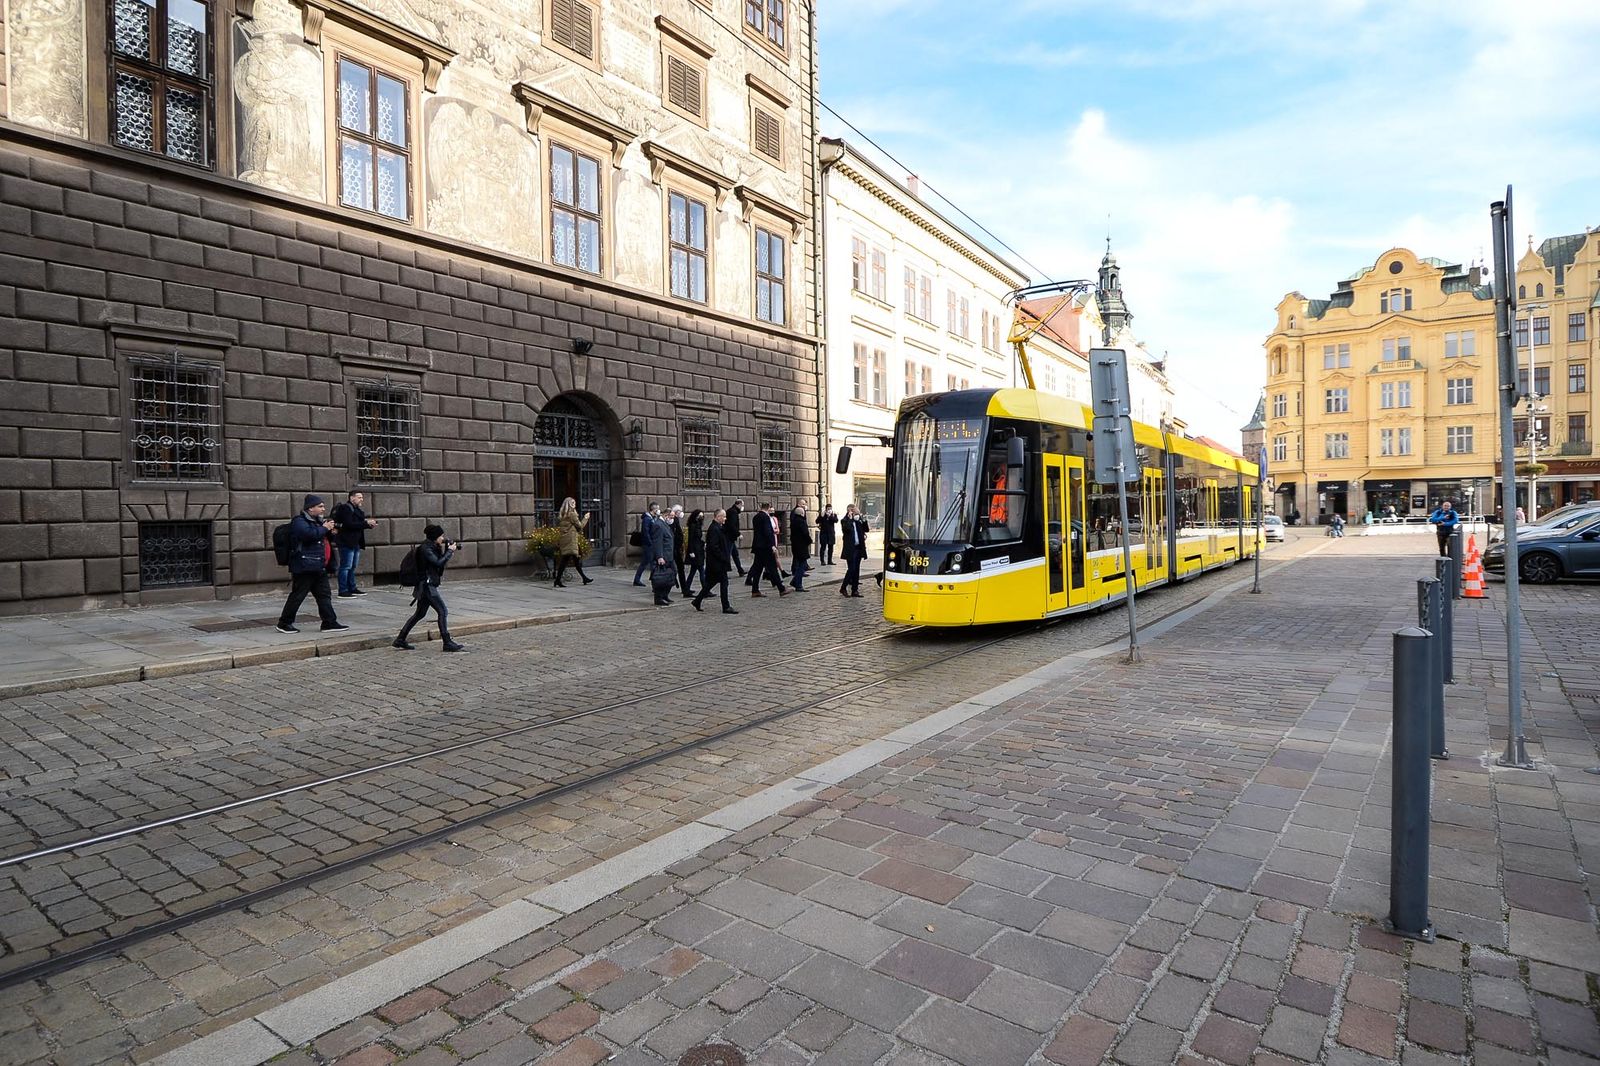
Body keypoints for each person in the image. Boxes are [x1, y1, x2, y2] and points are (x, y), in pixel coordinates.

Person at [277, 495, 348, 634]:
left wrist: (331, 532)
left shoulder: (317, 521)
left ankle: (329, 622)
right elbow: (308, 535)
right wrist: (325, 528)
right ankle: (284, 623)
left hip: (318, 565)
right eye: (320, 506)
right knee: (298, 595)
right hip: (304, 566)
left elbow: (322, 539)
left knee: (324, 595)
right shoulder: (299, 521)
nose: (323, 509)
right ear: (310, 508)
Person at [394, 524, 464, 652]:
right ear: (435, 537)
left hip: (427, 584)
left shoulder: (432, 547)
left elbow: (438, 565)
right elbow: (438, 563)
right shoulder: (426, 549)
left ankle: (400, 639)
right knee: (442, 611)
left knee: (419, 614)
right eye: (441, 536)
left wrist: (447, 549)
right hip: (427, 585)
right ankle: (447, 642)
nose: (442, 538)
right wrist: (449, 551)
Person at [331, 490, 376, 597]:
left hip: (355, 542)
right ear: (352, 498)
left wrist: (368, 525)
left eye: (362, 497)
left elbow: (357, 524)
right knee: (346, 566)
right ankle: (343, 590)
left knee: (352, 566)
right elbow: (349, 524)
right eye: (359, 497)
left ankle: (352, 588)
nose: (362, 499)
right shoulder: (346, 508)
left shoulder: (356, 509)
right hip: (346, 542)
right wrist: (366, 523)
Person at [692, 509, 738, 614]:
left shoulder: (719, 527)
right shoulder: (714, 529)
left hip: (717, 562)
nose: (725, 519)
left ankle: (697, 600)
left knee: (710, 583)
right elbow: (714, 547)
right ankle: (726, 606)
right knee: (724, 583)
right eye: (724, 516)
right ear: (718, 517)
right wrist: (723, 557)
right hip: (717, 562)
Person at [748, 502, 788, 597]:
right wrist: (772, 545)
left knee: (758, 569)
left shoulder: (756, 517)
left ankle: (755, 590)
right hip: (766, 547)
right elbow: (768, 532)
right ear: (768, 508)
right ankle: (781, 589)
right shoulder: (765, 517)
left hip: (758, 546)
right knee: (772, 567)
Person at [552, 498, 592, 588]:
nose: (574, 504)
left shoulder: (562, 515)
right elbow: (580, 526)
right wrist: (585, 518)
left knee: (572, 560)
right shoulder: (572, 514)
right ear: (569, 505)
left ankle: (583, 578)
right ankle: (558, 580)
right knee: (567, 560)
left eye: (574, 503)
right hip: (571, 540)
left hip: (564, 540)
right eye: (572, 503)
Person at [646, 503, 677, 606]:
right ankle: (659, 597)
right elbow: (657, 542)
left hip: (669, 556)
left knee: (671, 575)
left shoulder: (664, 524)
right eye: (671, 517)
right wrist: (659, 556)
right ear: (666, 515)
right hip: (663, 556)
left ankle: (665, 595)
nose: (672, 519)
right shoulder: (658, 525)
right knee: (661, 577)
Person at [840, 503, 869, 597]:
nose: (857, 512)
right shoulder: (844, 520)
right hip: (850, 549)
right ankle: (843, 588)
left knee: (856, 570)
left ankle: (855, 590)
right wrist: (849, 518)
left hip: (858, 548)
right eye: (855, 511)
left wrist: (862, 519)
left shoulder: (857, 521)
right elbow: (846, 529)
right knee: (851, 569)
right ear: (850, 511)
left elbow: (866, 529)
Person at [632, 503, 661, 587]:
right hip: (648, 544)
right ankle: (652, 580)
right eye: (657, 509)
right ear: (654, 509)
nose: (659, 510)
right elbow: (646, 532)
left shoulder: (653, 518)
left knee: (648, 562)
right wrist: (650, 543)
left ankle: (640, 579)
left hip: (651, 543)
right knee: (648, 562)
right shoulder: (647, 519)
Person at [787, 503, 813, 591]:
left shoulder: (793, 521)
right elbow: (805, 533)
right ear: (802, 514)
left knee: (800, 563)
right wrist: (809, 541)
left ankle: (795, 581)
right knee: (802, 565)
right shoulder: (801, 521)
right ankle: (798, 584)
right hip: (801, 546)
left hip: (795, 545)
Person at [683, 509, 706, 597]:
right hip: (696, 552)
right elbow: (691, 539)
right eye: (699, 516)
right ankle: (705, 590)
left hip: (698, 550)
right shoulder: (693, 526)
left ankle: (686, 589)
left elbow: (698, 539)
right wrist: (691, 551)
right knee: (701, 571)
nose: (701, 517)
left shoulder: (697, 525)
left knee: (693, 571)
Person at [668, 504, 688, 595]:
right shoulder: (673, 521)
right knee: (677, 568)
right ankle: (683, 588)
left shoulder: (675, 521)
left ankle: (684, 587)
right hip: (674, 549)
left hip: (676, 548)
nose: (681, 513)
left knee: (678, 568)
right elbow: (675, 535)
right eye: (679, 511)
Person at [724, 499, 747, 577]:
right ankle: (724, 573)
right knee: (727, 554)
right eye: (742, 505)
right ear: (739, 504)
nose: (742, 507)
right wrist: (738, 534)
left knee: (735, 554)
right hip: (729, 537)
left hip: (730, 537)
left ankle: (740, 570)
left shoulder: (732, 511)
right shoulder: (733, 512)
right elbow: (732, 525)